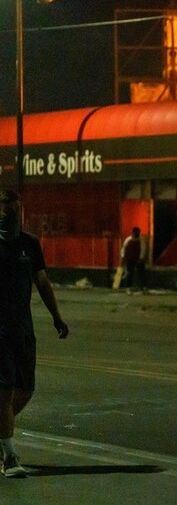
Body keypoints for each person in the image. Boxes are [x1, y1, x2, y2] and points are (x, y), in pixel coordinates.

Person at [0, 189, 69, 478]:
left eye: (11, 212)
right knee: (4, 390)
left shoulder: (30, 244)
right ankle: (10, 457)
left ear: (19, 212)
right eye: (2, 213)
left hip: (23, 328)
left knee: (26, 389)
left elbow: (42, 281)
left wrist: (57, 317)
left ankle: (2, 429)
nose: (6, 218)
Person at [120, 227, 146, 293]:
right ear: (133, 233)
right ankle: (128, 288)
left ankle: (143, 287)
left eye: (138, 233)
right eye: (136, 233)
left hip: (138, 258)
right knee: (130, 273)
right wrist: (123, 257)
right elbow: (123, 248)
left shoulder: (141, 239)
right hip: (130, 258)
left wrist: (141, 258)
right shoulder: (128, 239)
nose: (137, 234)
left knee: (141, 273)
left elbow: (143, 249)